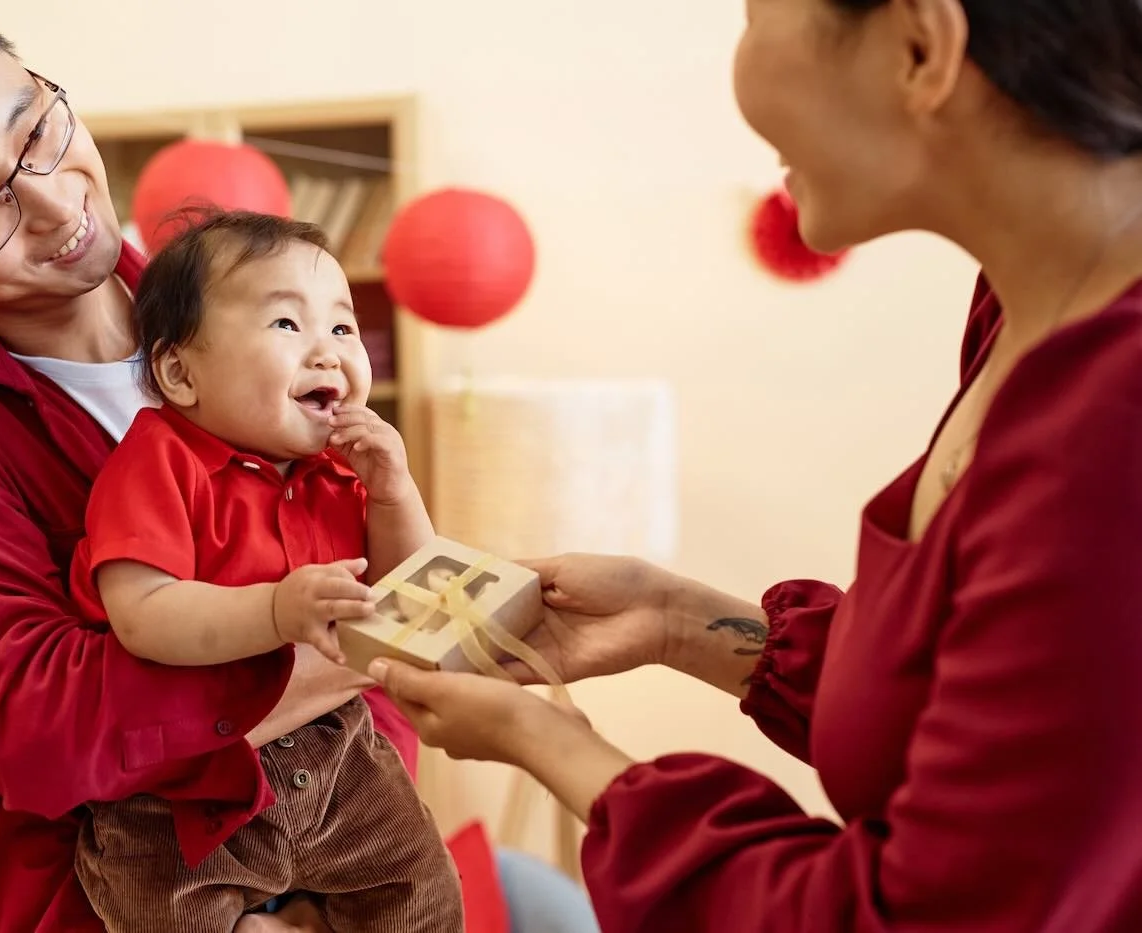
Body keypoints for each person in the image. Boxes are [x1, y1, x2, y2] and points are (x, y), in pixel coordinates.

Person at [368, 1, 1142, 930]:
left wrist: (551, 744)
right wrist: (676, 619)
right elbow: (971, 707)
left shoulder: (1111, 431)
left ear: (920, 47)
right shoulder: (1019, 313)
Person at [0, 2, 417, 930]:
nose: (58, 205)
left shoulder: (228, 300)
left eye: (36, 129)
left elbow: (373, 577)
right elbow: (33, 724)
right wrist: (346, 648)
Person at [67, 209, 461, 931]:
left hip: (341, 754)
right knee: (160, 913)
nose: (328, 353)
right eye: (286, 323)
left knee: (423, 889)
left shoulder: (338, 471)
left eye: (342, 327)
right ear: (180, 372)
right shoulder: (158, 462)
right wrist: (276, 611)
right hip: (186, 789)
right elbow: (143, 613)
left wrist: (395, 491)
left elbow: (411, 593)